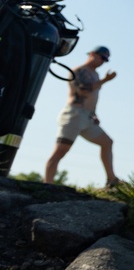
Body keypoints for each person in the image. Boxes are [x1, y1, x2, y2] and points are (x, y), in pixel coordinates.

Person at [44, 45, 120, 187]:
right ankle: (47, 185)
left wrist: (94, 114)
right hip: (73, 115)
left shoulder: (95, 75)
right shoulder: (78, 71)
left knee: (107, 142)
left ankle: (112, 180)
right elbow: (83, 91)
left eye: (106, 60)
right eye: (102, 57)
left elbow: (92, 97)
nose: (103, 61)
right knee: (60, 151)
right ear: (92, 54)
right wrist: (105, 80)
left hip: (88, 118)